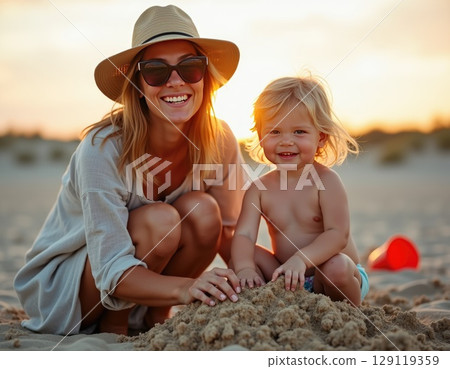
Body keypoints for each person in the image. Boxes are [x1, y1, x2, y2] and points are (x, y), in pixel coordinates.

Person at [14, 5, 245, 336]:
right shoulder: (102, 147)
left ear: (205, 76)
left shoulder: (219, 138)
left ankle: (154, 315)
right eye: (156, 71)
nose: (176, 81)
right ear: (137, 83)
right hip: (71, 289)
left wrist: (293, 269)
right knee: (160, 219)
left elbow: (228, 235)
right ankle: (115, 324)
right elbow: (109, 265)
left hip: (142, 280)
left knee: (204, 211)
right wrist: (185, 289)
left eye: (190, 67)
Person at [230, 75, 369, 306]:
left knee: (337, 267)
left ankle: (352, 315)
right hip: (288, 276)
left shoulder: (327, 181)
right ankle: (271, 304)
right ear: (260, 137)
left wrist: (300, 259)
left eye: (299, 132)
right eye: (274, 132)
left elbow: (337, 235)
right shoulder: (259, 189)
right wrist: (245, 268)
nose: (286, 141)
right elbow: (244, 235)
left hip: (334, 274)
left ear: (321, 137)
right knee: (243, 255)